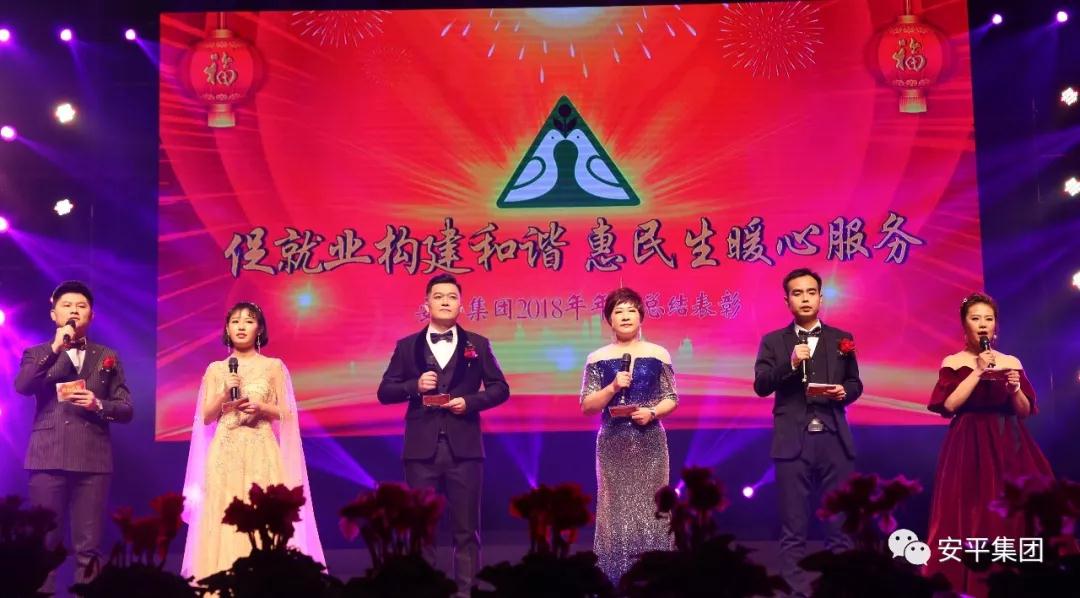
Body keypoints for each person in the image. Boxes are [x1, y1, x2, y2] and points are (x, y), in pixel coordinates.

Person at [377, 273, 509, 596]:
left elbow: (500, 388)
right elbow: (385, 392)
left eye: (452, 296)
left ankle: (466, 592)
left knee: (466, 531)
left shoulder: (478, 344)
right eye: (438, 296)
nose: (445, 301)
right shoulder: (406, 346)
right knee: (420, 529)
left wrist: (471, 402)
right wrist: (414, 386)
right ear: (426, 304)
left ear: (461, 305)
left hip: (465, 450)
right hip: (420, 451)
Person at [181, 302, 323, 579]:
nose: (241, 326)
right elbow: (206, 417)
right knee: (222, 514)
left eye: (248, 321)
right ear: (227, 329)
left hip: (261, 450)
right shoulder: (216, 369)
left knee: (263, 515)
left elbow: (287, 414)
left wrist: (261, 408)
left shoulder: (273, 367)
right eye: (235, 321)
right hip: (225, 452)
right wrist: (224, 394)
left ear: (259, 329)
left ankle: (264, 583)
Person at [925, 292, 1052, 597]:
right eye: (975, 318)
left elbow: (1024, 411)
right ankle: (970, 578)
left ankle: (1017, 575)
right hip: (968, 442)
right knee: (970, 506)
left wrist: (1015, 389)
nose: (983, 324)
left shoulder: (1010, 361)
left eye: (988, 319)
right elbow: (949, 405)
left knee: (1014, 507)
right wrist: (979, 371)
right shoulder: (953, 362)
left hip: (1009, 439)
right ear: (964, 325)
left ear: (996, 326)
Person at [14, 280, 134, 591]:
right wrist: (55, 348)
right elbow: (23, 386)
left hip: (92, 458)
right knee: (45, 545)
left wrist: (99, 404)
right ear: (54, 314)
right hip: (47, 455)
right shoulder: (36, 353)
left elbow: (126, 408)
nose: (74, 311)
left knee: (88, 547)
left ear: (91, 316)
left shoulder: (107, 355)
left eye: (81, 306)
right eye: (67, 305)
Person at [752, 268, 862, 597]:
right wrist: (789, 364)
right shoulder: (773, 341)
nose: (805, 298)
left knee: (840, 523)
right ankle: (796, 591)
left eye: (811, 292)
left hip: (834, 438)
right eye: (797, 293)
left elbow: (855, 382)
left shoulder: (841, 338)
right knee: (793, 527)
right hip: (792, 442)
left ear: (820, 298)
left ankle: (839, 590)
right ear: (787, 300)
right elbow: (761, 385)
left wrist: (845, 392)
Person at [579, 287, 678, 583]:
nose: (625, 316)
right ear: (609, 319)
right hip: (613, 443)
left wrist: (653, 412)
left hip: (650, 442)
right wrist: (612, 387)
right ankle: (615, 578)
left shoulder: (658, 353)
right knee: (615, 510)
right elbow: (587, 406)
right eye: (618, 311)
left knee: (654, 509)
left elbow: (671, 397)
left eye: (631, 310)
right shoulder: (597, 358)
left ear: (641, 316)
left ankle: (658, 578)